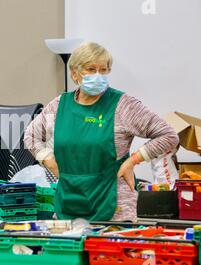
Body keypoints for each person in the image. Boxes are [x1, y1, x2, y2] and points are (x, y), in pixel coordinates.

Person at [24, 42, 179, 221]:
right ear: (74, 73)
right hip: (68, 204)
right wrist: (48, 159)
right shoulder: (59, 106)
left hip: (114, 208)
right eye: (91, 69)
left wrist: (133, 160)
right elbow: (31, 135)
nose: (98, 75)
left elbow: (168, 135)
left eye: (103, 70)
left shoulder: (123, 105)